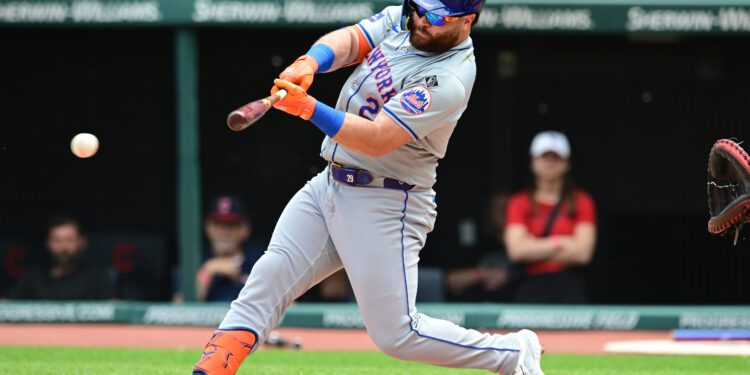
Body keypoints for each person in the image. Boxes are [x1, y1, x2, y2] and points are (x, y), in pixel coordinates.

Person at [192, 1, 544, 374]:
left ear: (467, 21)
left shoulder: (450, 77)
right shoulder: (407, 19)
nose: (422, 20)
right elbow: (354, 39)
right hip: (329, 183)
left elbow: (378, 138)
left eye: (436, 16)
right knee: (265, 282)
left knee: (397, 334)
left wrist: (308, 108)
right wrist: (310, 62)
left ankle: (510, 354)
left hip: (386, 200)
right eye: (418, 8)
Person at [504, 131, 597, 303]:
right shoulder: (519, 202)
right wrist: (560, 242)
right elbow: (517, 251)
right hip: (531, 288)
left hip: (570, 288)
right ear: (533, 163)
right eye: (544, 157)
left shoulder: (582, 201)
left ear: (566, 164)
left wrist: (533, 246)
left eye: (556, 158)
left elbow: (583, 253)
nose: (550, 163)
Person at [173, 196, 264, 303]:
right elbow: (179, 308)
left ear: (245, 230)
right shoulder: (192, 263)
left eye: (231, 225)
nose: (224, 232)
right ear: (208, 228)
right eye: (218, 224)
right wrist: (208, 271)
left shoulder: (260, 262)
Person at [6, 215, 113, 300]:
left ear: (81, 242)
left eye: (69, 240)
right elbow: (8, 307)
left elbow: (115, 309)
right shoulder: (34, 276)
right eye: (57, 241)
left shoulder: (96, 275)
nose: (63, 247)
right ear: (48, 243)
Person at [445, 192, 514, 302]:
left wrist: (509, 277)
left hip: (516, 311)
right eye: (499, 209)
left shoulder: (525, 246)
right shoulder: (476, 245)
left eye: (507, 208)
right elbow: (451, 281)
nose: (504, 213)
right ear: (489, 213)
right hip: (474, 307)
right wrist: (483, 274)